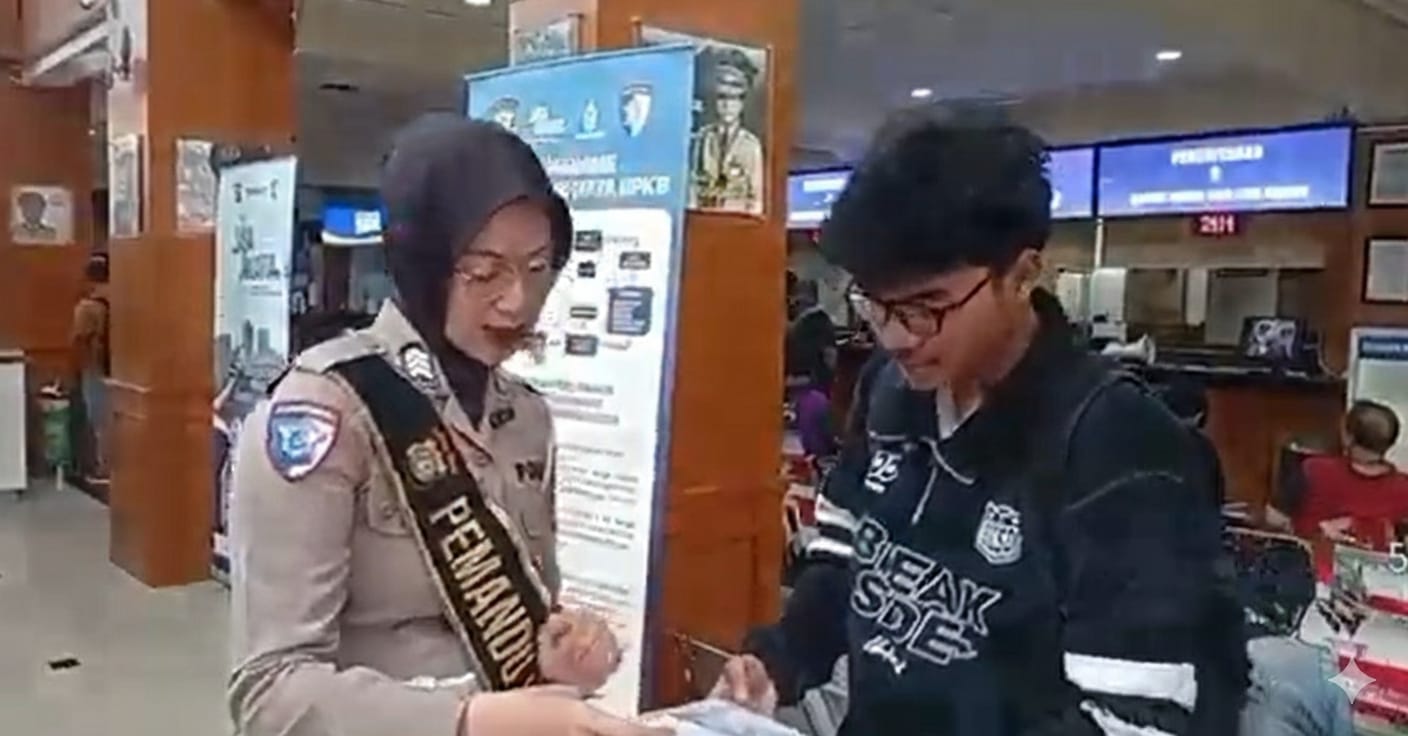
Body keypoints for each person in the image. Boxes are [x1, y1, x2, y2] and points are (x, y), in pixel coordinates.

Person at [712, 111, 1246, 735]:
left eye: (927, 307)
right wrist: (778, 660)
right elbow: (843, 561)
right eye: (875, 305)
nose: (896, 336)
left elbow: (1131, 718)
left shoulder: (1116, 443)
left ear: (1022, 275)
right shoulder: (891, 389)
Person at [228, 115, 665, 736]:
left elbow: (504, 612)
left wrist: (560, 653)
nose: (518, 301)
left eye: (539, 268)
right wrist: (468, 721)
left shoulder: (525, 415)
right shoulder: (328, 412)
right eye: (484, 272)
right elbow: (270, 695)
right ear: (423, 261)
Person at [1296, 399, 1408, 550]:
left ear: (1348, 438)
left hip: (1309, 560)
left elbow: (1277, 519)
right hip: (1376, 565)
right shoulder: (1404, 488)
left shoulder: (1313, 469)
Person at [689, 50, 764, 214]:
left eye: (734, 99)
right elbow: (693, 185)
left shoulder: (751, 145)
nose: (727, 105)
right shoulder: (703, 137)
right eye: (722, 97)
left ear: (742, 103)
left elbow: (756, 198)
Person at [70, 253, 110, 480]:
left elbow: (78, 340)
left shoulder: (87, 307)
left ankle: (102, 467)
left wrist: (74, 368)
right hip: (120, 369)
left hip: (95, 367)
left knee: (98, 419)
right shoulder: (121, 300)